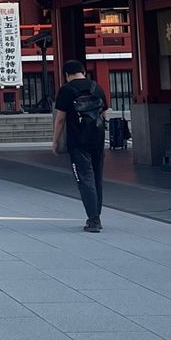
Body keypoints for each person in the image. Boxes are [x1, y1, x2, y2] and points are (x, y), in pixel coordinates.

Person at [53, 59, 108, 232]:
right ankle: (96, 215)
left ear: (66, 74)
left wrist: (55, 141)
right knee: (97, 177)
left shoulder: (66, 90)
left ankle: (93, 219)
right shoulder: (96, 87)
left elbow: (60, 119)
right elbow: (104, 113)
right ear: (83, 72)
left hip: (78, 141)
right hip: (97, 140)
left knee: (85, 178)